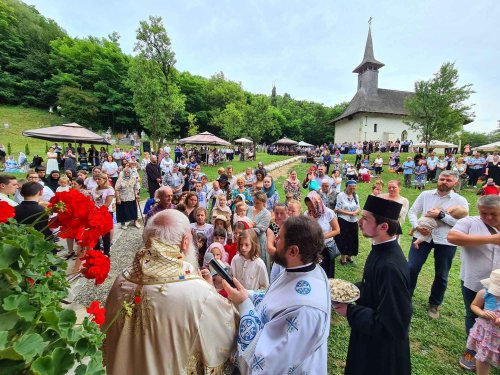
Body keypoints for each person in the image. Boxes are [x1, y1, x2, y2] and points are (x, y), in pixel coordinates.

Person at [104, 209, 239, 374]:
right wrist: (212, 291)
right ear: (185, 242)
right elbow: (225, 332)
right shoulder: (196, 291)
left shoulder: (122, 279)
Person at [222, 216, 331, 374]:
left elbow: (266, 362)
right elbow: (275, 298)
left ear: (293, 251)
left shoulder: (305, 310)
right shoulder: (301, 269)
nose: (273, 239)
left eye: (279, 238)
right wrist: (248, 294)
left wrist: (244, 303)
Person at [334, 194, 412, 375]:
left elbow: (394, 325)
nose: (359, 222)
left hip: (381, 354)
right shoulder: (380, 249)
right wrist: (348, 290)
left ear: (383, 227)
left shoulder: (390, 267)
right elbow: (373, 285)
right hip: (369, 339)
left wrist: (350, 311)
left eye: (365, 218)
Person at [447, 195, 500, 371]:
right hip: (473, 279)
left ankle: (493, 351)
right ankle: (472, 350)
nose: (488, 218)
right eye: (484, 213)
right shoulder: (470, 222)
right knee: (474, 314)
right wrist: (491, 239)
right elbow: (452, 237)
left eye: (493, 214)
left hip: (499, 287)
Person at [408, 170, 469, 319]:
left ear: (455, 182)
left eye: (448, 180)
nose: (444, 182)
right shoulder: (425, 194)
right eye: (442, 179)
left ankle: (434, 304)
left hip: (446, 240)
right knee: (411, 268)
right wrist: (417, 226)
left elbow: (461, 223)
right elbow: (413, 211)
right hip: (422, 234)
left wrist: (442, 216)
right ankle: (405, 298)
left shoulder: (461, 201)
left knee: (441, 274)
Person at [465, 269, 500, 375]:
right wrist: (483, 314)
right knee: (482, 358)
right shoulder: (485, 293)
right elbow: (474, 305)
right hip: (487, 335)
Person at [305, 191, 340, 278]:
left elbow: (337, 230)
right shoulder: (307, 214)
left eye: (312, 206)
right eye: (308, 206)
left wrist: (321, 237)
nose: (310, 208)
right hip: (313, 248)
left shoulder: (328, 213)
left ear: (318, 203)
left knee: (327, 273)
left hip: (326, 248)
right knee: (314, 273)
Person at [335, 180, 360, 265]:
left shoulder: (355, 195)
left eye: (354, 188)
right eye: (350, 188)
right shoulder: (341, 195)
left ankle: (350, 256)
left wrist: (356, 212)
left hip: (354, 220)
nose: (352, 189)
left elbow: (358, 207)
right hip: (343, 220)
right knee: (344, 238)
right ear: (346, 187)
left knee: (353, 239)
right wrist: (350, 213)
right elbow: (337, 209)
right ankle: (343, 258)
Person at [247, 191, 271, 274]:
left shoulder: (267, 213)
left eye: (258, 203)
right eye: (254, 202)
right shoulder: (249, 209)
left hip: (259, 241)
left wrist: (250, 228)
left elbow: (262, 228)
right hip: (247, 240)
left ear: (263, 203)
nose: (255, 205)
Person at [91, 173, 115, 256]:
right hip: (95, 213)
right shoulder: (94, 189)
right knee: (95, 233)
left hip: (106, 212)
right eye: (96, 179)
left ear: (105, 180)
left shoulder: (110, 190)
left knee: (105, 233)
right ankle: (96, 251)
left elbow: (107, 203)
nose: (97, 181)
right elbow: (92, 201)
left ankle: (106, 252)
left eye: (99, 179)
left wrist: (99, 212)